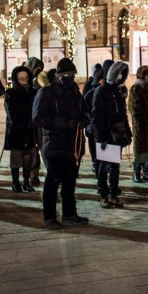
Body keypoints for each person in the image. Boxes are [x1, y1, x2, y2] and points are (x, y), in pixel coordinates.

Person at [33, 58, 90, 228]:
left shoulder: (74, 90)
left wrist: (84, 119)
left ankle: (69, 214)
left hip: (73, 142)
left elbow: (84, 109)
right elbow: (38, 118)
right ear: (58, 75)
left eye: (72, 75)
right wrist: (65, 123)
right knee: (53, 180)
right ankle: (49, 216)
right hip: (54, 142)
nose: (69, 77)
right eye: (65, 74)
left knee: (69, 179)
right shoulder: (46, 92)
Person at [89, 61, 132, 208]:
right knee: (104, 167)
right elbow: (97, 116)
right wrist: (101, 137)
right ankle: (104, 195)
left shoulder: (118, 92)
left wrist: (127, 132)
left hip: (118, 135)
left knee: (115, 167)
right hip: (106, 135)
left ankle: (113, 194)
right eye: (118, 74)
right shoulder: (100, 92)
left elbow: (123, 114)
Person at [4, 65, 38, 193]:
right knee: (16, 158)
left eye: (25, 77)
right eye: (20, 78)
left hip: (30, 130)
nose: (23, 80)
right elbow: (11, 112)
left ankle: (26, 181)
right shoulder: (10, 93)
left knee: (28, 158)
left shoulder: (33, 92)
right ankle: (15, 182)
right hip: (16, 130)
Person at [84, 59, 115, 172]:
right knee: (99, 156)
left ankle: (110, 185)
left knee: (109, 159)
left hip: (107, 128)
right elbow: (87, 108)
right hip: (96, 127)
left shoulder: (112, 90)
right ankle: (102, 184)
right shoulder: (94, 92)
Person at [24, 56, 45, 186]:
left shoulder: (41, 80)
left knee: (43, 146)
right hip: (29, 121)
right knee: (31, 149)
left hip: (40, 119)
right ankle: (33, 175)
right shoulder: (25, 80)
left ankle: (38, 173)